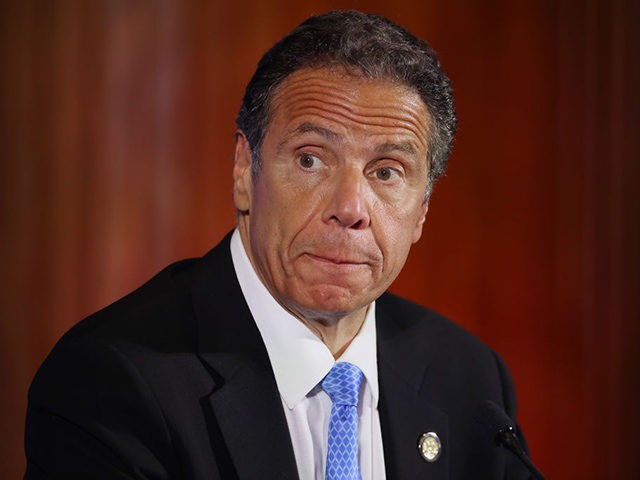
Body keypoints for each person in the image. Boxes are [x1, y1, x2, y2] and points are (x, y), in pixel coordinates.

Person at [25, 10, 533, 480]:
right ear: (245, 171)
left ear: (422, 209)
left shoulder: (470, 380)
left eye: (386, 172)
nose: (351, 207)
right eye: (312, 159)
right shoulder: (111, 384)